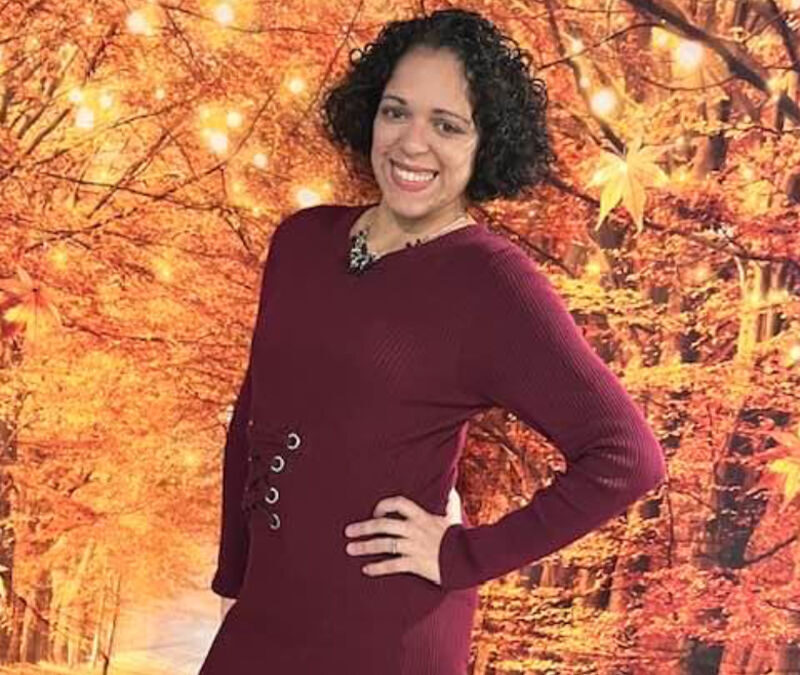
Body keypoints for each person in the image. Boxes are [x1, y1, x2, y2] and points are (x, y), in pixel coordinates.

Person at [199, 8, 666, 675]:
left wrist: (463, 555)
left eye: (447, 125)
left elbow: (628, 456)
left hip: (386, 634)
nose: (412, 144)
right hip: (268, 613)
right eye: (396, 113)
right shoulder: (300, 241)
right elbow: (255, 410)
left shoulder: (494, 283)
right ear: (370, 117)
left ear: (487, 145)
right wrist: (233, 575)